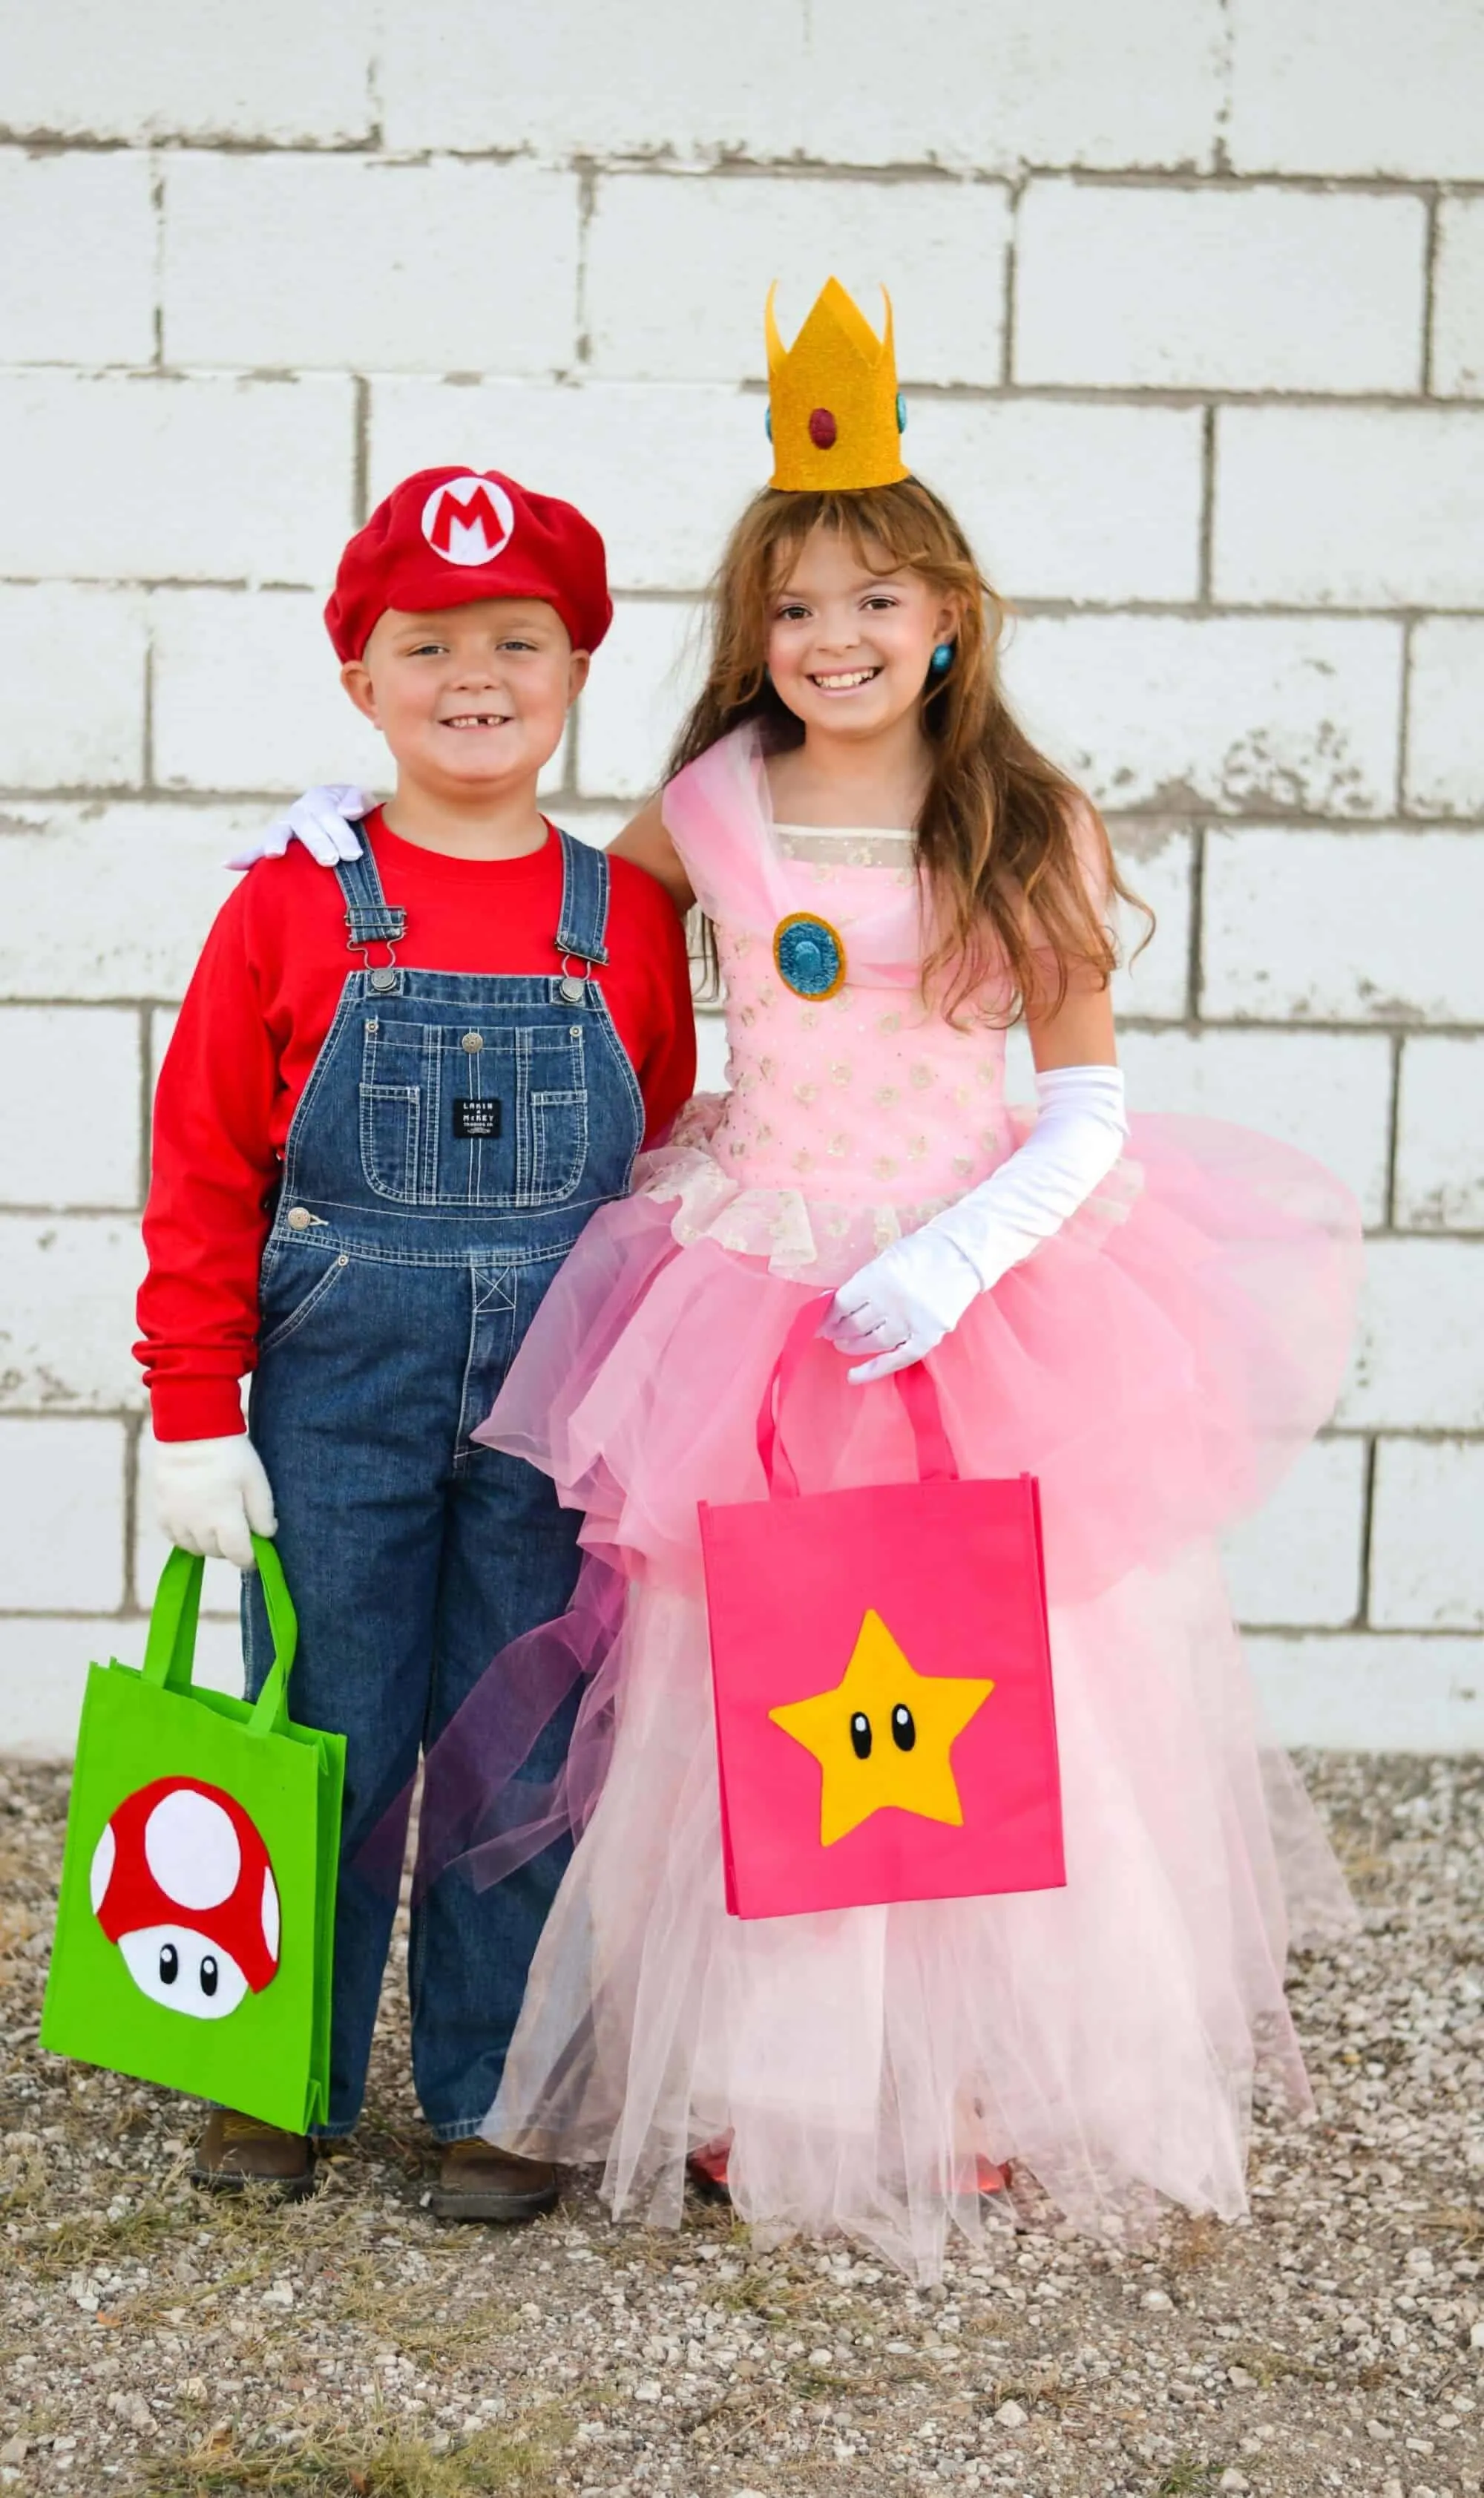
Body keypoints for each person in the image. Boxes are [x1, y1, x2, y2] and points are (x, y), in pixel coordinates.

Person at [250, 286, 1362, 2277]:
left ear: (950, 612)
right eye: (794, 608)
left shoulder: (1024, 819)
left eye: (875, 599)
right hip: (749, 1295)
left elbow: (1088, 1105)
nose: (835, 640)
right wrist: (364, 844)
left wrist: (962, 1250)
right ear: (749, 635)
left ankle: (951, 2074)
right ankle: (762, 2069)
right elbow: (544, 918)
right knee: (731, 1687)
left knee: (962, 1684)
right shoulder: (707, 811)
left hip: (956, 1302)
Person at [135, 467, 695, 2216]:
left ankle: (496, 2091)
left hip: (554, 1393)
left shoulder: (629, 922)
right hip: (336, 1386)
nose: (475, 672)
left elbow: (657, 1160)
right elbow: (206, 1163)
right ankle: (271, 2072)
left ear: (576, 669)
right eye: (427, 641)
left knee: (517, 1738)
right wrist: (189, 1411)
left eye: (518, 640)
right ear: (359, 678)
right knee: (326, 1713)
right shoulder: (292, 902)